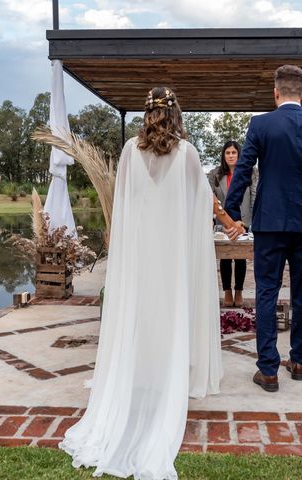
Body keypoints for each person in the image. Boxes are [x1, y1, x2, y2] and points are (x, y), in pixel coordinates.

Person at [60, 87, 242, 480]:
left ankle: (144, 373)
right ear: (176, 115)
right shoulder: (188, 154)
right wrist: (216, 233)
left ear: (146, 115)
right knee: (169, 309)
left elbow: (122, 205)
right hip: (173, 252)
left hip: (141, 252)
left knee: (143, 311)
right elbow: (200, 205)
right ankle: (171, 373)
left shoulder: (129, 151)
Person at [225, 64, 302, 392]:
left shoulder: (261, 125)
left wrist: (234, 212)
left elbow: (245, 169)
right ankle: (299, 361)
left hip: (270, 223)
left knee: (266, 291)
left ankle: (268, 369)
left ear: (275, 92)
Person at [208, 141, 258, 308]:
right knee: (225, 257)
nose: (230, 155)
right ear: (223, 155)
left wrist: (247, 223)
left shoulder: (249, 174)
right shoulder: (215, 174)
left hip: (242, 222)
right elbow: (211, 199)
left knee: (240, 257)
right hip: (224, 223)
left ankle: (239, 291)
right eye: (227, 153)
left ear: (239, 155)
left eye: (233, 153)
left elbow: (253, 198)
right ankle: (227, 291)